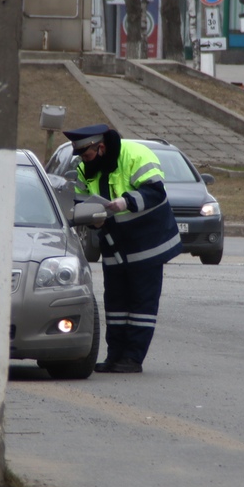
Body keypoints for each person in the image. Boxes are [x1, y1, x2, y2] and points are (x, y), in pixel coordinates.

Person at [63, 123, 181, 374]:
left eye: (87, 154)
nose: (84, 161)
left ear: (101, 147)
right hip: (114, 244)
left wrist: (124, 201)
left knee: (141, 303)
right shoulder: (86, 168)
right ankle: (115, 355)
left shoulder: (137, 155)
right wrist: (91, 219)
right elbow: (82, 201)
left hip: (147, 242)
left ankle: (133, 358)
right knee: (115, 303)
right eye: (82, 156)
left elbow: (155, 192)